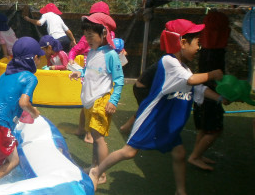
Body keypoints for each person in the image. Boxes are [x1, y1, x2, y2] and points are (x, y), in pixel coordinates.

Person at [89, 19, 230, 195]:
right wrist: (213, 74)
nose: (199, 48)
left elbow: (197, 87)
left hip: (167, 121)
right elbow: (192, 80)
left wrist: (219, 98)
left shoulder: (184, 67)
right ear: (183, 43)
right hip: (152, 117)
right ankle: (97, 171)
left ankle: (181, 191)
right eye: (197, 44)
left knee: (179, 153)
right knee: (129, 152)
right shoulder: (168, 62)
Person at [69, 12, 124, 185]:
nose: (87, 40)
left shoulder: (111, 55)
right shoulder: (91, 53)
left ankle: (101, 173)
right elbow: (89, 70)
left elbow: (119, 80)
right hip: (89, 99)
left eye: (91, 36)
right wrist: (80, 72)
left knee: (99, 138)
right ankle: (95, 167)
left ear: (104, 33)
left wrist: (113, 100)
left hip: (101, 100)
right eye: (86, 36)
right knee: (94, 136)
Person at [0, 37, 42, 185]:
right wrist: (34, 113)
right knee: (14, 161)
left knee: (7, 154)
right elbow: (23, 102)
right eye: (39, 58)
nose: (40, 61)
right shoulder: (30, 78)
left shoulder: (6, 74)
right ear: (34, 58)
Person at [188, 10, 231, 171]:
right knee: (214, 130)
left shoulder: (206, 50)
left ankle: (197, 153)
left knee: (204, 128)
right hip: (208, 96)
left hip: (203, 96)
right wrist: (219, 97)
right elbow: (208, 80)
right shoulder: (214, 53)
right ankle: (195, 156)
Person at [68, 1, 113, 144]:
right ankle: (88, 132)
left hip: (101, 76)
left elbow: (113, 56)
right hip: (91, 74)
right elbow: (75, 50)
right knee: (89, 103)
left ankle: (86, 131)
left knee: (91, 103)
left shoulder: (108, 38)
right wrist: (71, 61)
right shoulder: (88, 39)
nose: (89, 38)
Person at [119, 62, 158, 134]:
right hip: (142, 89)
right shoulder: (166, 63)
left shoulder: (162, 62)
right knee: (148, 109)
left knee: (146, 109)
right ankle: (130, 127)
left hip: (140, 87)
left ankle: (127, 126)